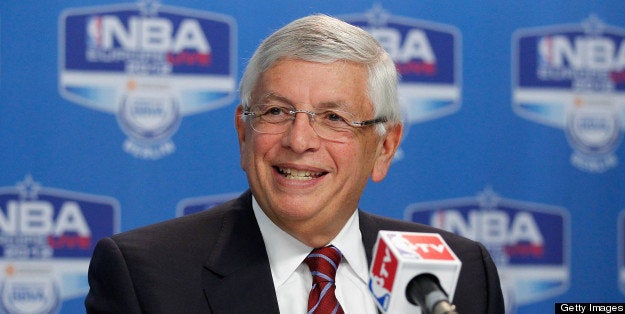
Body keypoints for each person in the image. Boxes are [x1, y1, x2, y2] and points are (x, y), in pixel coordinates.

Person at [85, 14, 504, 313]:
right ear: (243, 133)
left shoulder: (460, 275)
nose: (299, 140)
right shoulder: (147, 276)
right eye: (275, 112)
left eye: (333, 118)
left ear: (384, 147)